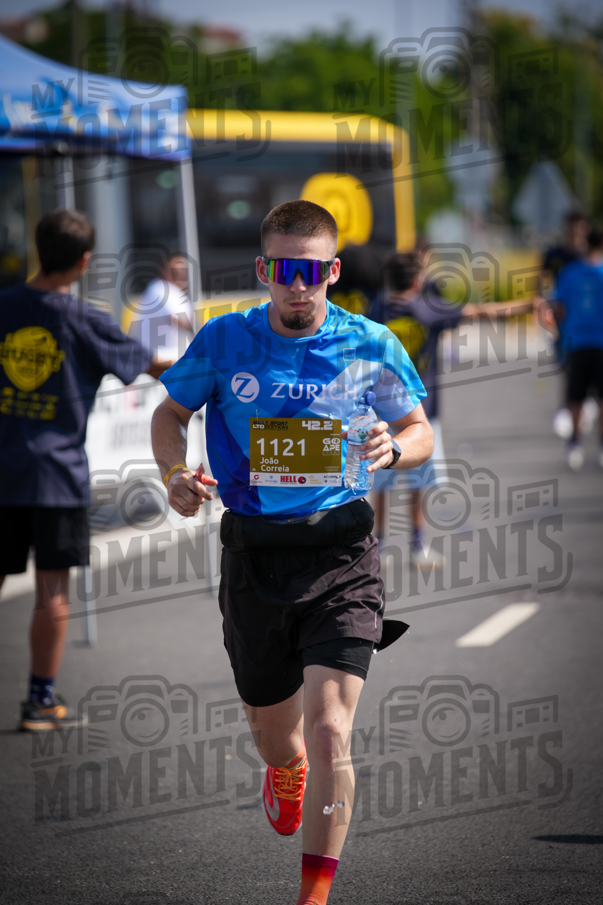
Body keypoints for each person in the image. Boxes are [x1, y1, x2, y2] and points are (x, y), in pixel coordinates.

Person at [151, 200, 433, 905]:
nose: (297, 284)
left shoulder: (369, 342)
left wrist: (394, 447)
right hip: (253, 557)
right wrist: (175, 477)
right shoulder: (224, 341)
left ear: (332, 271)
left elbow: (418, 426)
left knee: (332, 726)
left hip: (341, 552)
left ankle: (313, 895)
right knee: (277, 736)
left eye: (311, 270)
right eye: (284, 270)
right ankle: (283, 769)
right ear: (263, 271)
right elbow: (168, 414)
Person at [0, 209, 169, 732]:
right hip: (56, 476)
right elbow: (151, 367)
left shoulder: (4, 306)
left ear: (38, 247)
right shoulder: (84, 319)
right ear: (84, 261)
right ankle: (39, 701)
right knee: (52, 589)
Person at [370, 252, 536, 562]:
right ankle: (418, 545)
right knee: (418, 478)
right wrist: (529, 304)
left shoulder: (377, 307)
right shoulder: (428, 307)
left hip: (380, 412)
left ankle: (379, 544)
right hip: (421, 413)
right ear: (418, 280)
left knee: (382, 479)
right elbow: (481, 311)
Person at [551, 225, 603, 471]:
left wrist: (561, 332)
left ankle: (575, 443)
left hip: (576, 342)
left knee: (575, 398)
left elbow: (557, 308)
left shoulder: (570, 272)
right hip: (598, 343)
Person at [539, 210, 593, 439]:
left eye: (579, 226)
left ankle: (580, 408)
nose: (575, 230)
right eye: (572, 225)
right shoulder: (555, 254)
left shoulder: (589, 255)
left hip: (585, 324)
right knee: (566, 367)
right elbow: (540, 285)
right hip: (561, 322)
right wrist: (543, 312)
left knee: (584, 368)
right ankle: (574, 407)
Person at [129, 252, 195, 362]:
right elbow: (178, 318)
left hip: (165, 359)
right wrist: (204, 337)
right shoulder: (160, 288)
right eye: (175, 272)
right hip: (160, 360)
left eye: (184, 272)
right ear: (164, 271)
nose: (181, 276)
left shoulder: (168, 291)